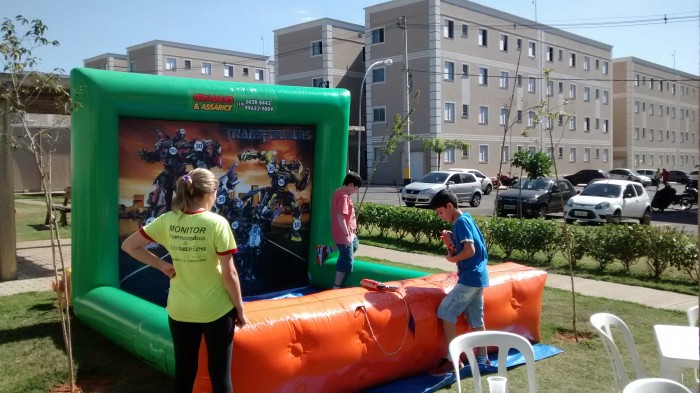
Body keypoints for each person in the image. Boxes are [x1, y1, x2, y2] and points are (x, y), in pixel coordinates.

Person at [121, 168, 246, 393]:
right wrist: (240, 310)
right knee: (220, 376)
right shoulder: (217, 223)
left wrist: (161, 265)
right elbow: (230, 274)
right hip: (216, 310)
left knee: (185, 373)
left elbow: (129, 246)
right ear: (211, 192)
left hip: (180, 310)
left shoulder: (167, 220)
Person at [428, 189, 489, 376]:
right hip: (479, 277)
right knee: (476, 320)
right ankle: (482, 358)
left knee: (445, 311)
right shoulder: (467, 219)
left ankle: (453, 358)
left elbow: (469, 250)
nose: (440, 216)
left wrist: (452, 259)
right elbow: (473, 249)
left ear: (449, 206)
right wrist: (452, 244)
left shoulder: (460, 222)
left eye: (440, 212)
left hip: (470, 278)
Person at [330, 171, 362, 289]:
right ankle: (336, 286)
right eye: (356, 188)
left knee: (355, 244)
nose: (356, 191)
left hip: (348, 232)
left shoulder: (339, 192)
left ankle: (328, 250)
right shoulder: (343, 196)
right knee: (346, 261)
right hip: (344, 234)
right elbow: (340, 216)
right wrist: (346, 234)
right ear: (351, 185)